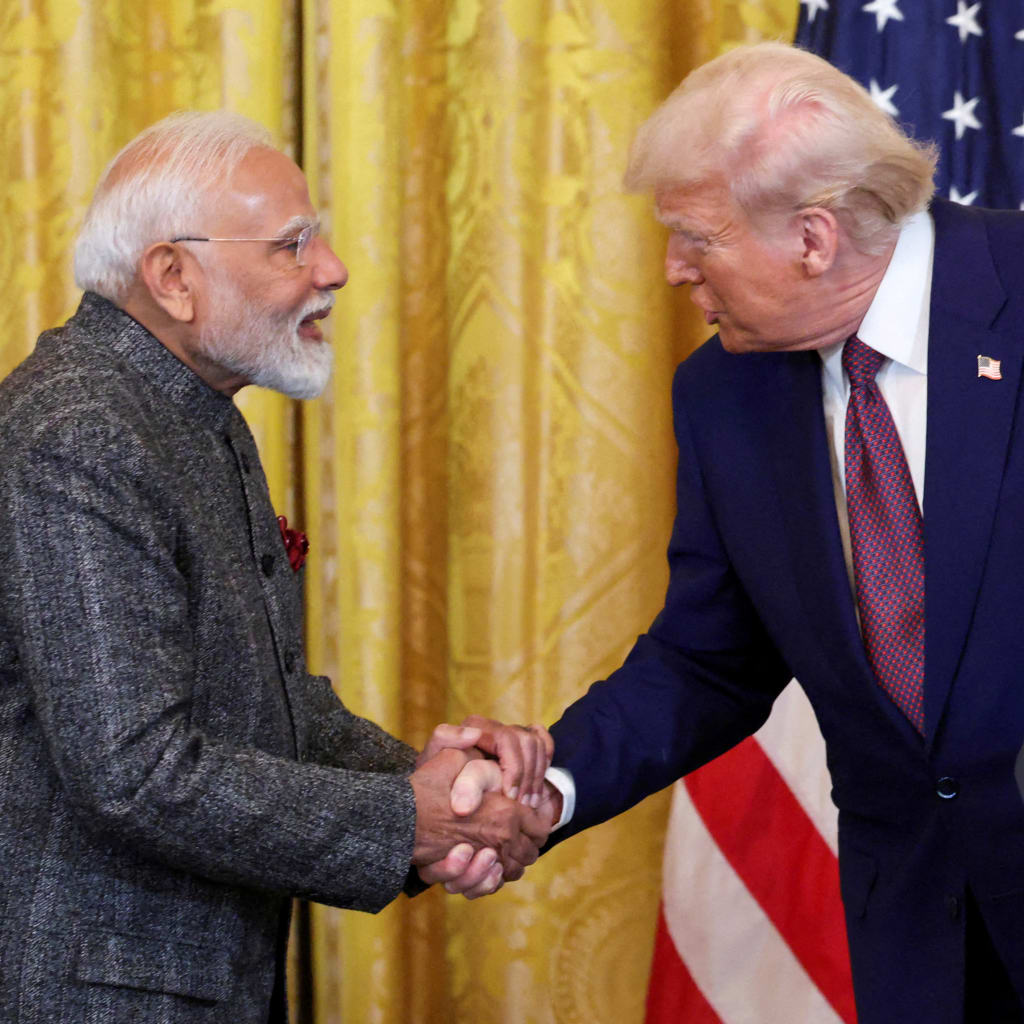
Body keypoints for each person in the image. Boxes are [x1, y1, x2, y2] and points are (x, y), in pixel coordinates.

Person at [468, 41, 1024, 1023]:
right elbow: (706, 660)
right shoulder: (723, 395)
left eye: (694, 237)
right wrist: (546, 785)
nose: (674, 270)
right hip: (921, 941)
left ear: (812, 238)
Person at [0, 111, 552, 1024]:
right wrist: (415, 820)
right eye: (292, 244)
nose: (330, 269)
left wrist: (431, 779)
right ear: (173, 277)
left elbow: (263, 706)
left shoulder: (190, 409)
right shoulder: (82, 432)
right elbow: (135, 770)